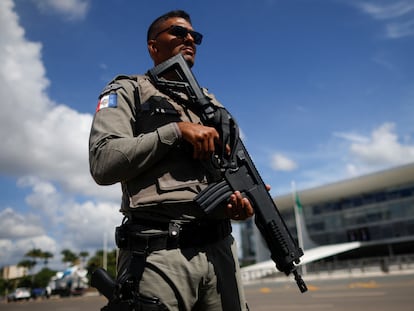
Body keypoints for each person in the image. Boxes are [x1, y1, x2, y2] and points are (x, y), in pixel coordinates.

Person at [89, 10, 255, 310]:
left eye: (195, 36)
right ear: (154, 46)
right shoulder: (129, 89)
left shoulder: (213, 104)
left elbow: (226, 172)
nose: (190, 38)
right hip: (160, 253)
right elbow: (103, 162)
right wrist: (176, 131)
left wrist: (237, 201)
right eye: (178, 32)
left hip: (220, 251)